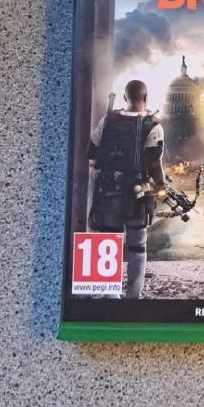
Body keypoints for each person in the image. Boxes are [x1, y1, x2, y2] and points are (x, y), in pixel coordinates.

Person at [87, 80, 166, 299]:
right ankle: (133, 296)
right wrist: (160, 185)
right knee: (138, 246)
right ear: (146, 98)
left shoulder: (109, 119)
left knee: (108, 242)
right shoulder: (153, 125)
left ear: (124, 97)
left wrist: (101, 173)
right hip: (136, 196)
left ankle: (109, 296)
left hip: (109, 193)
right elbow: (154, 163)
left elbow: (92, 152)